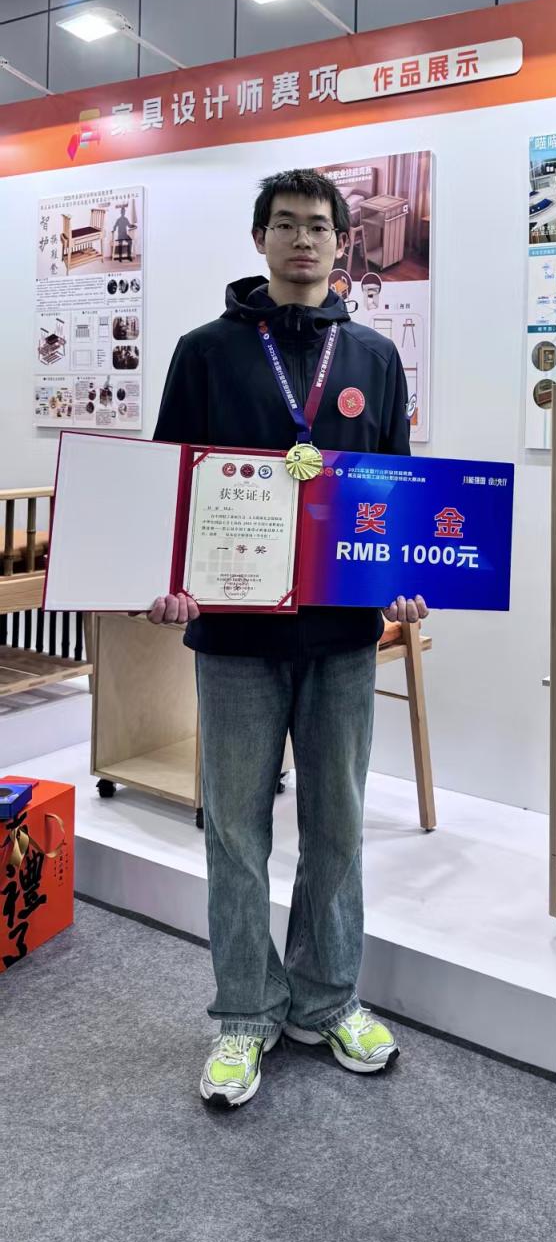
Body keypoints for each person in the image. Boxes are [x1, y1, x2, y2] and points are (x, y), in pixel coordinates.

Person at [151, 169, 427, 1108]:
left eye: (318, 225)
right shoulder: (205, 351)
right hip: (235, 635)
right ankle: (243, 1012)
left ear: (342, 243)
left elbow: (396, 486)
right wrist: (168, 580)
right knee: (236, 829)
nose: (302, 239)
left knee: (337, 825)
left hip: (342, 632)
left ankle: (326, 998)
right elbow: (172, 484)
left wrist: (405, 578)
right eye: (285, 224)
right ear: (260, 239)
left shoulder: (374, 357)